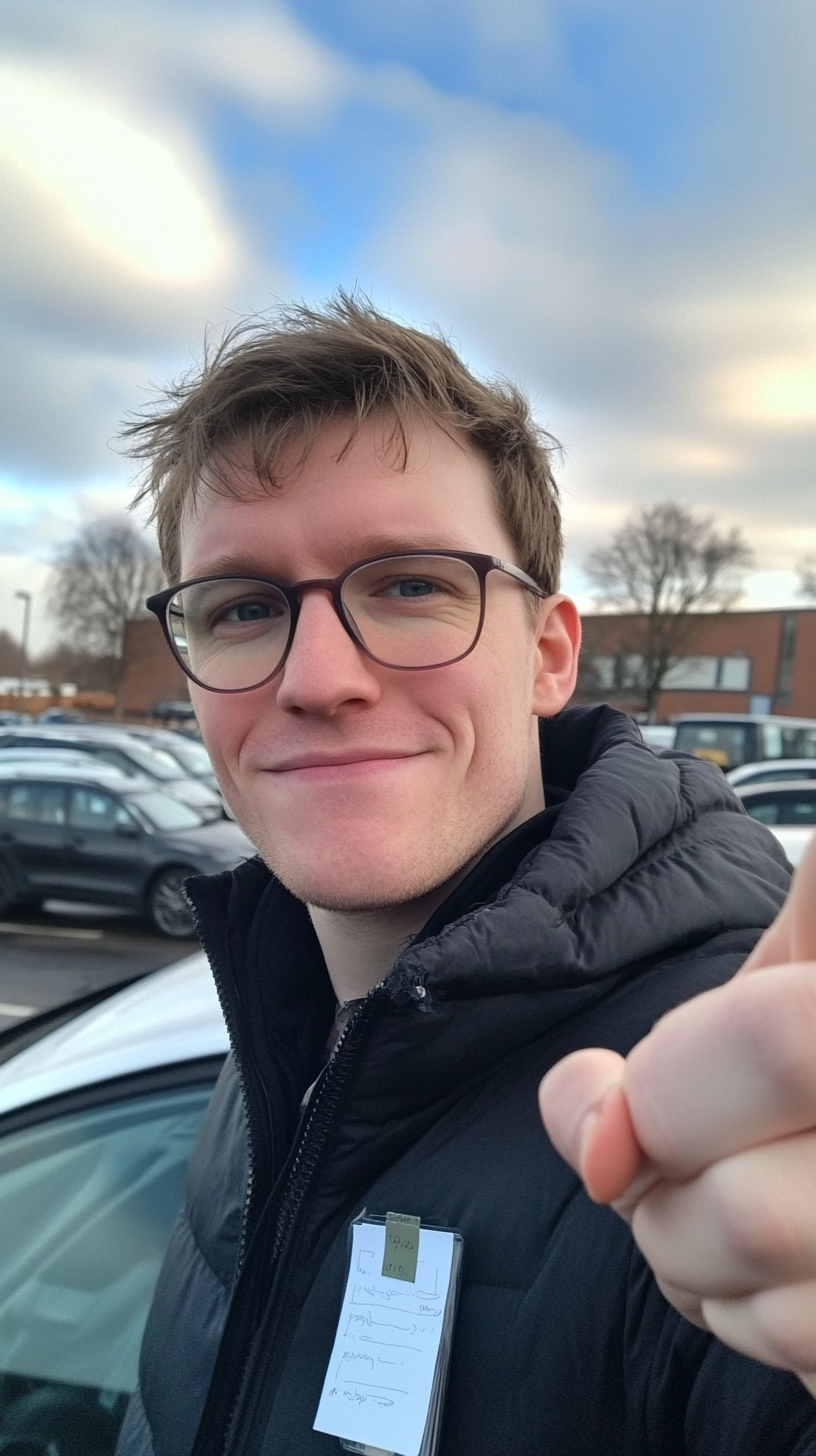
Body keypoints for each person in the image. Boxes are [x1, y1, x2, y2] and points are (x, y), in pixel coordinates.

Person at [115, 295, 816, 1456]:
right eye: (243, 607)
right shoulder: (274, 1046)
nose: (320, 677)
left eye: (409, 584)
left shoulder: (730, 1094)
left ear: (546, 656)